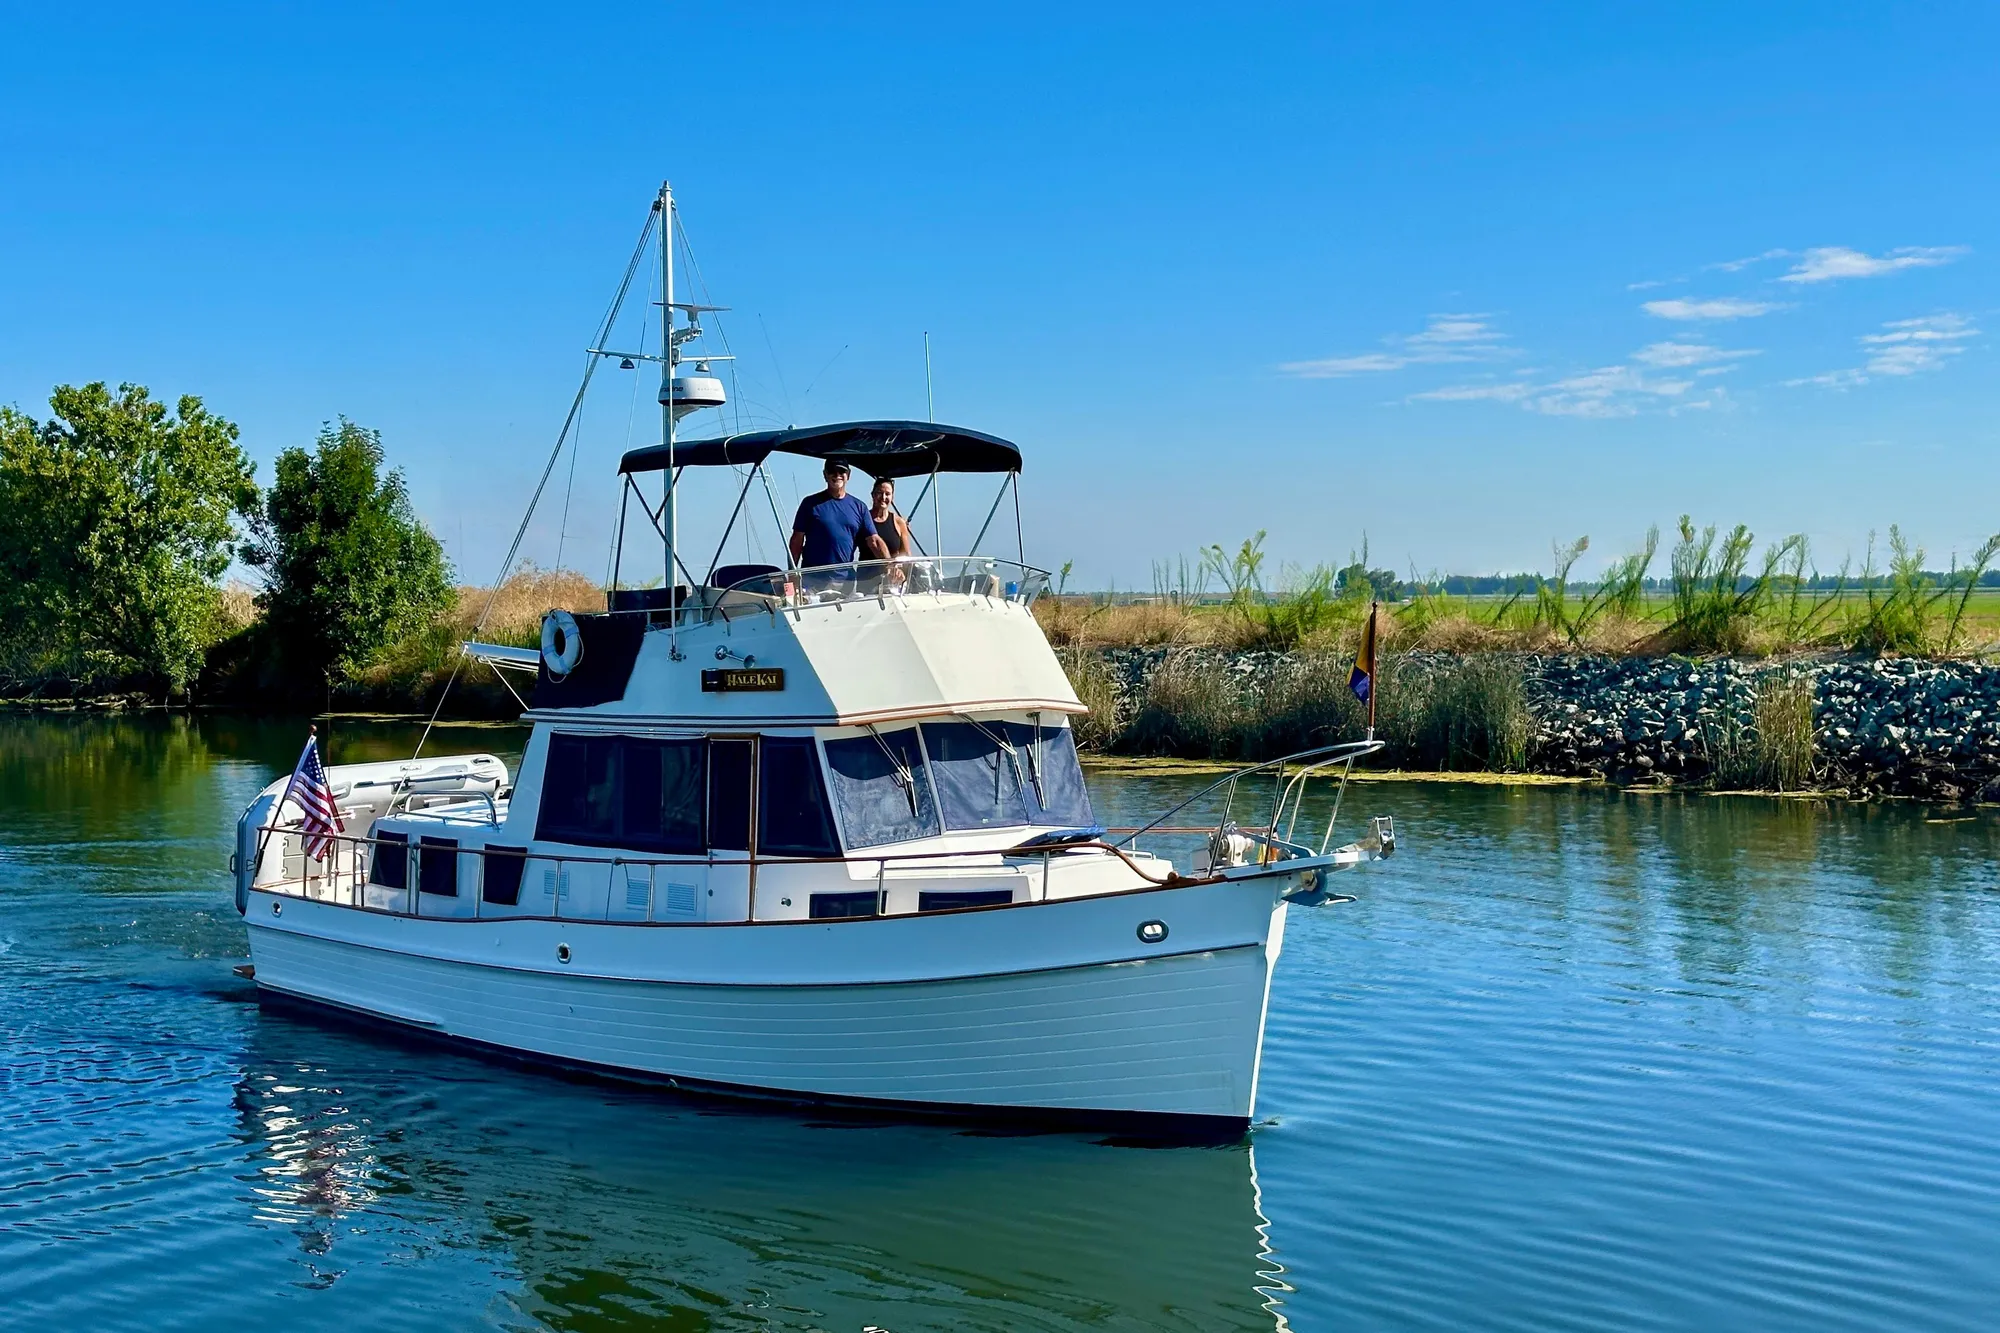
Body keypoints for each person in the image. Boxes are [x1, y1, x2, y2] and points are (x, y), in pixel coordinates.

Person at [789, 461, 889, 578]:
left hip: (847, 582)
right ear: (825, 475)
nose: (837, 475)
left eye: (842, 471)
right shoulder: (809, 504)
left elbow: (874, 541)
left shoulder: (860, 507)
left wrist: (890, 565)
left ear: (848, 475)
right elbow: (797, 541)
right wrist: (791, 573)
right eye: (832, 471)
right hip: (812, 581)